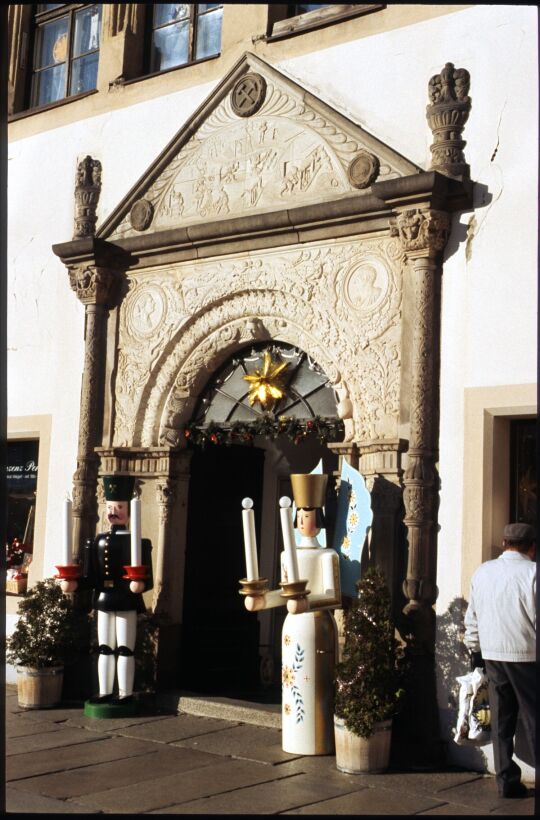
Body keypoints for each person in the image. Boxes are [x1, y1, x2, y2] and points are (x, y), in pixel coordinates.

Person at [63, 475, 153, 708]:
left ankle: (125, 693)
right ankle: (104, 692)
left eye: (120, 507)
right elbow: (90, 576)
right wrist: (74, 584)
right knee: (104, 647)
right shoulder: (97, 541)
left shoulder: (138, 542)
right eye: (111, 507)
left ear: (129, 510)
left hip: (126, 601)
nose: (114, 512)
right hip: (103, 600)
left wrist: (140, 585)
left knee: (124, 648)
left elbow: (148, 577)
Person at [464, 522, 536, 798]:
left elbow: (472, 618)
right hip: (527, 656)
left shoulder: (483, 572)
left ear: (504, 544)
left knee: (502, 719)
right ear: (531, 547)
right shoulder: (533, 573)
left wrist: (475, 650)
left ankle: (505, 779)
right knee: (533, 718)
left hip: (492, 654)